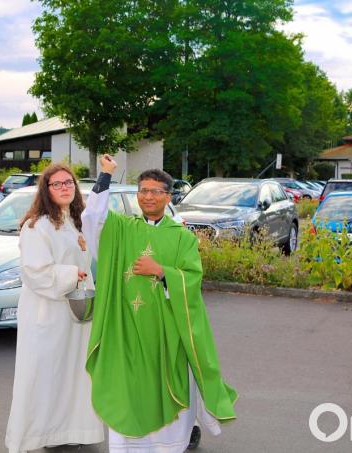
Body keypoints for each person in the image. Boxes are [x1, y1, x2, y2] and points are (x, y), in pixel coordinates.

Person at [81, 155, 238, 452]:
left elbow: (193, 279)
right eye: (143, 190)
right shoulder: (121, 229)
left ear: (168, 197)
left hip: (166, 333)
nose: (148, 196)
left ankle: (168, 446)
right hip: (126, 328)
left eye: (155, 191)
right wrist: (105, 175)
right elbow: (93, 219)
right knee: (129, 392)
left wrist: (162, 272)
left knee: (167, 391)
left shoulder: (182, 238)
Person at [5, 163, 105, 453]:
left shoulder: (75, 221)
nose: (64, 188)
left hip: (74, 313)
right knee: (45, 375)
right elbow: (36, 272)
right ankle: (40, 434)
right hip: (46, 314)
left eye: (68, 183)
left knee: (73, 374)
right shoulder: (36, 226)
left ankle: (70, 429)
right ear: (46, 191)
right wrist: (72, 273)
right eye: (57, 184)